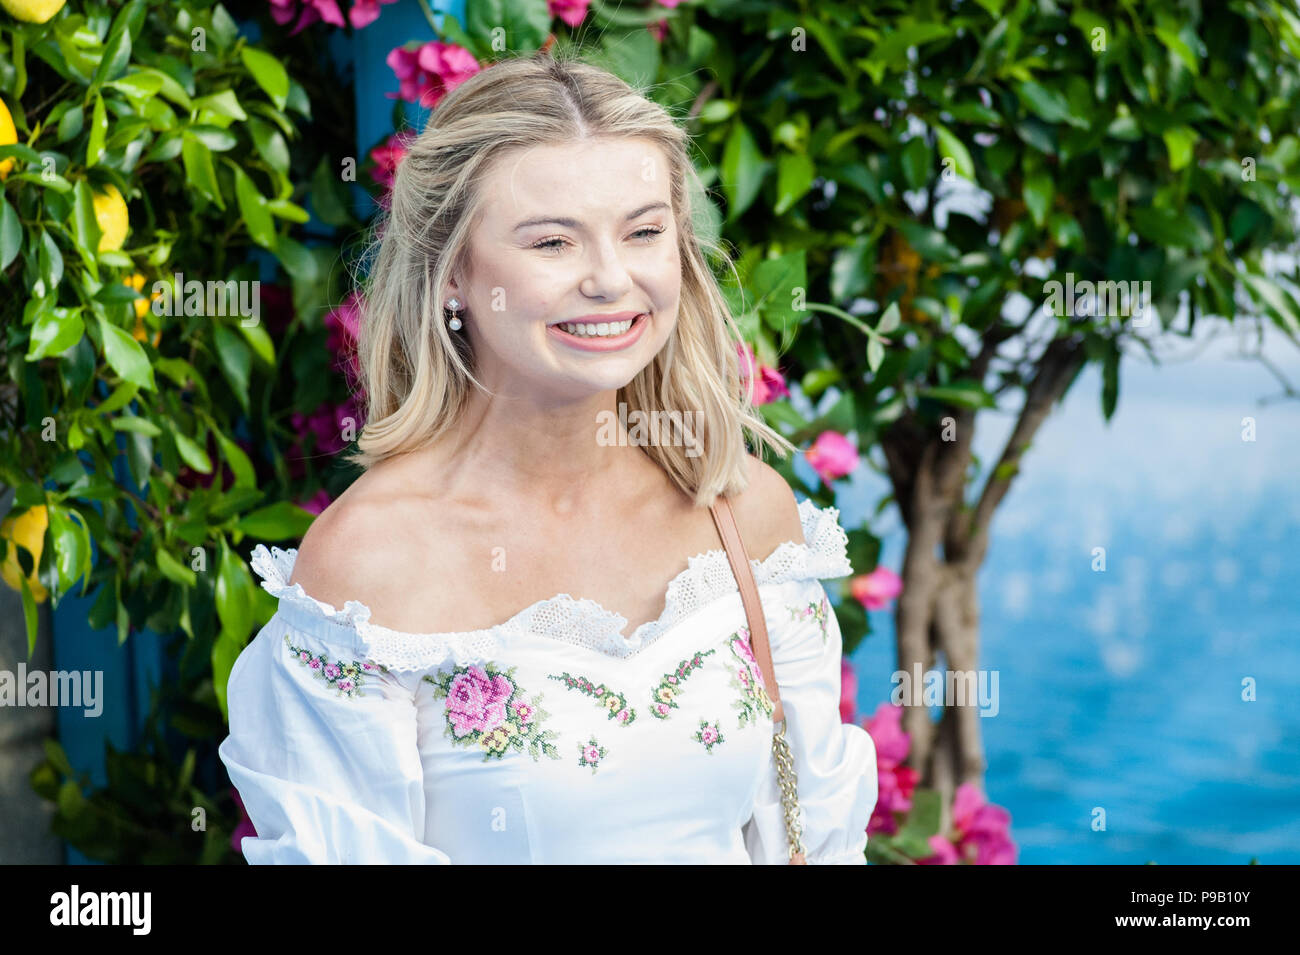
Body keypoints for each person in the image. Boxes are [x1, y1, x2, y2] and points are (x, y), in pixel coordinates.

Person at [218, 50, 878, 864]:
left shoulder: (745, 516)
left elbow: (817, 838)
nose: (610, 279)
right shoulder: (367, 568)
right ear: (453, 270)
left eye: (643, 232)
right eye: (554, 242)